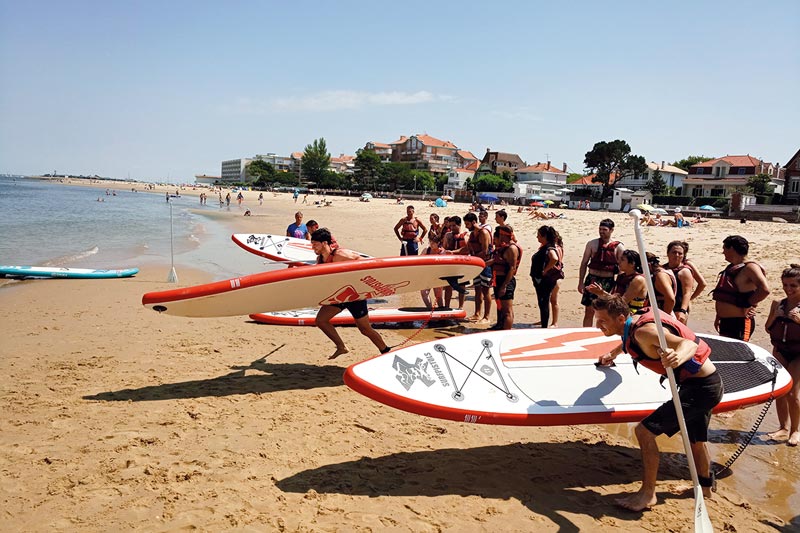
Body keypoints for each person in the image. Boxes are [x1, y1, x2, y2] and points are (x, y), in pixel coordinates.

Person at [593, 295, 722, 510]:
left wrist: (677, 357)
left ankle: (648, 494)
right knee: (695, 439)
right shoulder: (634, 323)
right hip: (706, 383)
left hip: (701, 389)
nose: (598, 326)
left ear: (621, 317)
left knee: (644, 431)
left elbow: (687, 344)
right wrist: (613, 353)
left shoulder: (644, 332)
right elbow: (629, 341)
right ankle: (706, 488)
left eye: (603, 321)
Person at [310, 228, 390, 359]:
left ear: (324, 243)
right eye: (312, 244)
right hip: (340, 296)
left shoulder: (340, 255)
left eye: (315, 244)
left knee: (365, 329)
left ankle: (385, 351)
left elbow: (365, 263)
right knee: (321, 320)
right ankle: (341, 347)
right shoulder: (320, 260)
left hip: (355, 296)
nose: (312, 247)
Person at [764, 264, 800, 446]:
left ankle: (795, 431)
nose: (788, 289)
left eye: (793, 285)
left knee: (793, 393)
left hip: (798, 354)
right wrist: (776, 316)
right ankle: (783, 428)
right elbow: (767, 328)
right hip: (780, 350)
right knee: (779, 391)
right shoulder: (778, 304)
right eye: (785, 285)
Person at [711, 235, 770, 341]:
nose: (723, 252)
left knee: (738, 355)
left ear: (732, 249)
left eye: (724, 249)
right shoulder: (732, 267)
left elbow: (764, 290)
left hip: (740, 323)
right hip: (726, 322)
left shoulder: (750, 267)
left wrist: (749, 304)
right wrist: (718, 316)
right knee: (725, 355)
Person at [578, 219, 625, 327]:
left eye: (604, 230)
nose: (601, 232)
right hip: (592, 279)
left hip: (608, 281)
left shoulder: (618, 247)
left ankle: (604, 332)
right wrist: (581, 282)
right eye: (600, 229)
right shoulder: (591, 244)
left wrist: (619, 287)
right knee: (589, 311)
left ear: (611, 230)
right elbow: (584, 263)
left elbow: (622, 269)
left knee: (606, 312)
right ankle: (586, 334)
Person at [588, 249, 648, 315]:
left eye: (622, 260)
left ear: (632, 264)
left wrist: (603, 294)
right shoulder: (622, 276)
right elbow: (615, 299)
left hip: (634, 314)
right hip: (620, 311)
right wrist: (601, 293)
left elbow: (623, 302)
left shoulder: (638, 280)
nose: (619, 262)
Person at [457, 212, 493, 323]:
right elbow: (466, 249)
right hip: (476, 265)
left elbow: (485, 252)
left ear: (473, 222)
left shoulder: (484, 233)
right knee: (477, 289)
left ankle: (486, 317)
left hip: (485, 265)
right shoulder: (472, 234)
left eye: (467, 224)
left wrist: (471, 259)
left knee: (486, 290)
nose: (466, 226)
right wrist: (452, 253)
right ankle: (477, 314)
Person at [486, 225, 521, 329]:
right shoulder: (503, 247)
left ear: (503, 235)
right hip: (498, 279)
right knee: (500, 307)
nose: (498, 237)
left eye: (500, 235)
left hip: (506, 281)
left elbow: (512, 268)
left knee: (507, 311)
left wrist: (504, 286)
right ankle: (500, 327)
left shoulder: (512, 248)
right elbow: (495, 262)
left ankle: (506, 333)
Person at [530, 225, 564, 328]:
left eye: (539, 235)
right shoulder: (548, 246)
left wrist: (545, 270)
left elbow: (554, 258)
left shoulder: (549, 248)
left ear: (544, 236)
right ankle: (545, 322)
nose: (537, 237)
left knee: (545, 302)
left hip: (545, 280)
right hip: (545, 279)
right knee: (545, 302)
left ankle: (546, 325)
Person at [665, 241, 701, 324]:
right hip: (665, 308)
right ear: (668, 253)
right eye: (674, 252)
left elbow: (687, 292)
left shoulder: (684, 271)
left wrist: (683, 310)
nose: (677, 255)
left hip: (679, 308)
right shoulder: (663, 269)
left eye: (680, 253)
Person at [442, 216, 467, 309]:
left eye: (454, 225)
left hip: (461, 264)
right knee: (448, 286)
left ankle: (460, 306)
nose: (452, 228)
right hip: (450, 264)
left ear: (459, 225)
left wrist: (454, 252)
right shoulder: (448, 235)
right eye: (450, 226)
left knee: (462, 285)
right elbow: (444, 248)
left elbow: (467, 249)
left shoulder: (465, 235)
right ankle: (446, 306)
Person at [419, 235, 446, 309]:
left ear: (438, 243)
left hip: (438, 276)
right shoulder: (426, 250)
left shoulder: (442, 252)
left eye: (433, 243)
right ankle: (429, 309)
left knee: (438, 296)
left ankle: (441, 310)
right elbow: (418, 261)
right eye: (430, 242)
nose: (431, 244)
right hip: (427, 275)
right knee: (424, 293)